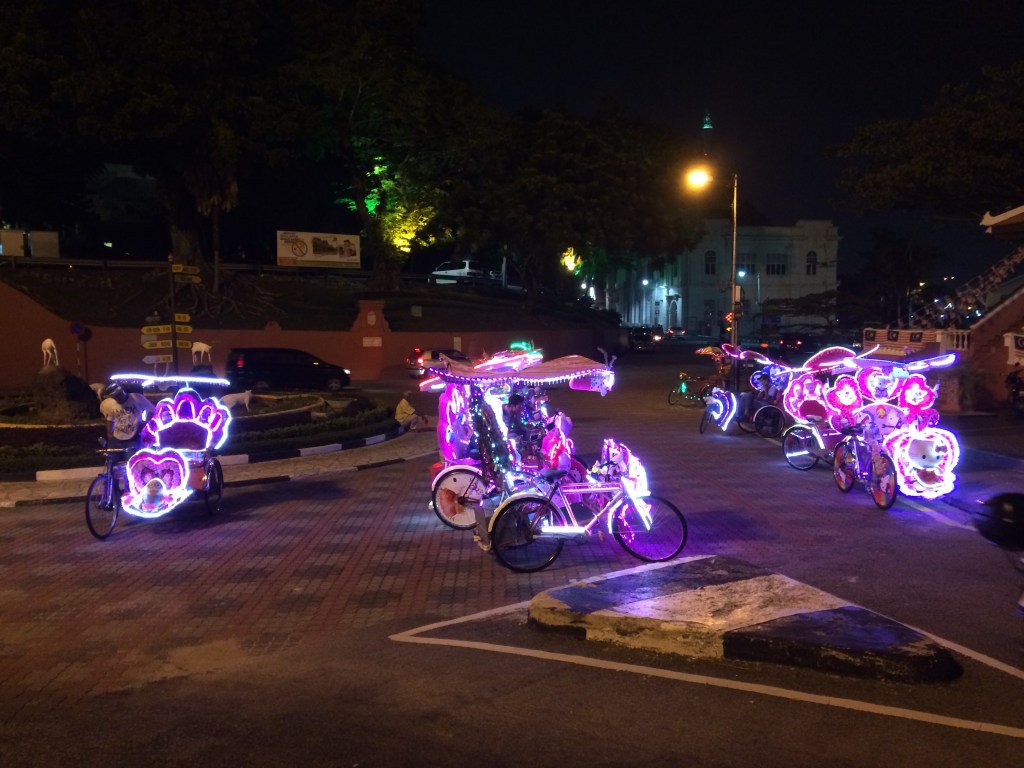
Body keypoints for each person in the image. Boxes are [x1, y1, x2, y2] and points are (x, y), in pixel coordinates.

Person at [99, 383, 155, 447]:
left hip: (134, 437)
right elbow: (110, 419)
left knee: (132, 456)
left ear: (123, 391)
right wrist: (109, 435)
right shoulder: (109, 404)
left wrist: (143, 424)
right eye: (116, 397)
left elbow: (152, 410)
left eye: (120, 395)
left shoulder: (137, 398)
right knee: (113, 456)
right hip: (116, 437)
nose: (119, 397)